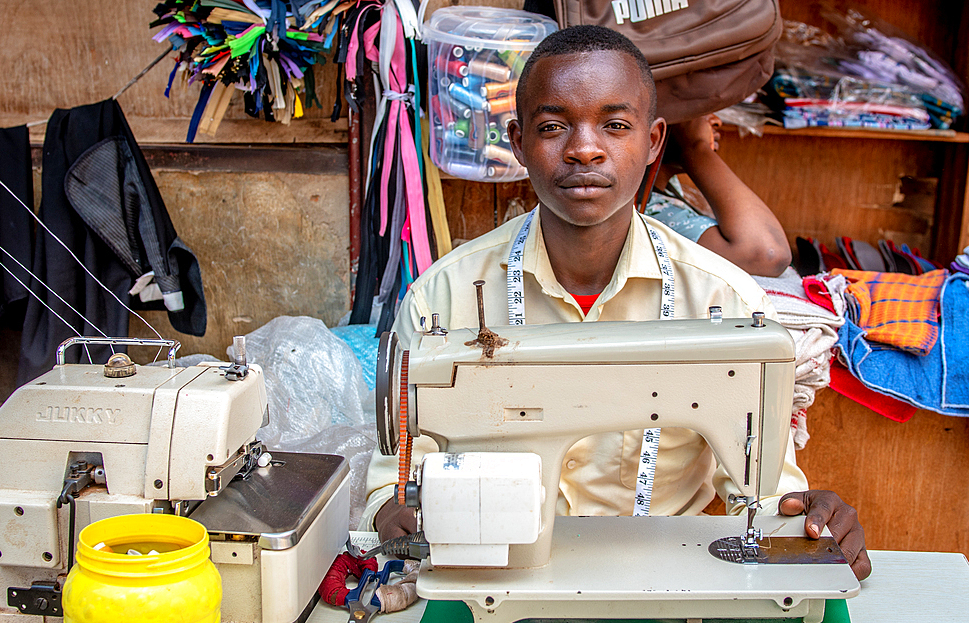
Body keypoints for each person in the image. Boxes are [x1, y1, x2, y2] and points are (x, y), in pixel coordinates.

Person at [360, 25, 870, 580]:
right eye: (553, 126)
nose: (584, 148)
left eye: (615, 125)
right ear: (518, 142)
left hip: (667, 584)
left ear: (653, 143)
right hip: (494, 577)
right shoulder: (442, 300)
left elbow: (766, 492)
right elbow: (396, 478)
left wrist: (803, 519)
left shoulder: (724, 300)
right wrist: (395, 511)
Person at [646, 114, 792, 277]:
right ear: (655, 134)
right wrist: (695, 147)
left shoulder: (665, 188)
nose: (717, 121)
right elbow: (770, 254)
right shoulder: (650, 210)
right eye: (702, 112)